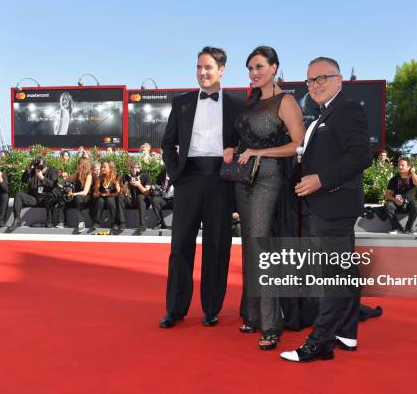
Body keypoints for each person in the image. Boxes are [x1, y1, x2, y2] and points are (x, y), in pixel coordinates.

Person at [280, 57, 372, 363]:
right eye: (310, 80)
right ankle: (346, 332)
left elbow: (361, 157)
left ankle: (320, 342)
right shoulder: (324, 114)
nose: (316, 85)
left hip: (334, 203)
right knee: (343, 271)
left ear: (339, 79)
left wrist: (321, 179)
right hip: (329, 205)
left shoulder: (347, 109)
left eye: (323, 78)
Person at [159, 46, 244, 328]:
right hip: (188, 180)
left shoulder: (236, 106)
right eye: (198, 67)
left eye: (208, 67)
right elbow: (168, 143)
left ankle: (211, 308)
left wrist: (235, 150)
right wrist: (176, 174)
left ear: (222, 70)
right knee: (180, 245)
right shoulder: (181, 102)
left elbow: (245, 144)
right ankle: (175, 309)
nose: (202, 72)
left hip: (221, 181)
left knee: (217, 246)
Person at [234, 46, 305, 350]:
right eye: (250, 68)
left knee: (263, 246)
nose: (254, 73)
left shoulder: (285, 100)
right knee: (250, 245)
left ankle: (271, 324)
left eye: (260, 66)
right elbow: (245, 140)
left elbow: (298, 144)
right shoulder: (251, 103)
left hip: (270, 179)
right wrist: (232, 148)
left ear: (274, 67)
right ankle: (252, 316)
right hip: (243, 180)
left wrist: (260, 152)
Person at [10, 157, 59, 228]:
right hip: (35, 198)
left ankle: (49, 222)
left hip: (47, 199)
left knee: (49, 197)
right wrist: (28, 170)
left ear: (45, 166)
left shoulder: (52, 171)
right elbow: (23, 180)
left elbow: (53, 185)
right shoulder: (34, 171)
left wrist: (42, 178)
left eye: (41, 168)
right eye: (37, 168)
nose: (38, 170)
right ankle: (17, 220)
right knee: (19, 194)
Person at [384, 157, 417, 234]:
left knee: (415, 207)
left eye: (402, 165)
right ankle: (397, 228)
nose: (400, 167)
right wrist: (395, 200)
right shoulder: (394, 179)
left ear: (409, 167)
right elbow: (387, 195)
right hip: (397, 204)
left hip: (409, 204)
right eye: (399, 165)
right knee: (388, 205)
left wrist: (412, 172)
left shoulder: (413, 177)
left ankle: (408, 228)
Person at [56, 157, 93, 233]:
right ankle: (62, 222)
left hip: (85, 198)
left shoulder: (89, 175)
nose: (77, 165)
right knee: (62, 198)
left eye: (79, 164)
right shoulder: (77, 173)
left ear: (83, 165)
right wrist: (62, 178)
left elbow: (85, 192)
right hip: (76, 196)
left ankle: (81, 222)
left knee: (78, 198)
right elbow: (68, 179)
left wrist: (73, 193)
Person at [119, 161, 151, 232]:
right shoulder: (126, 176)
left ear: (140, 168)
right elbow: (124, 192)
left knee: (140, 197)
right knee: (121, 197)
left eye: (136, 168)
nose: (134, 170)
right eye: (132, 168)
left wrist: (139, 185)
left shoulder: (146, 175)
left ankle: (143, 224)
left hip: (143, 202)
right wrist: (125, 187)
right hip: (131, 200)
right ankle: (122, 223)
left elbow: (147, 193)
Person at [92, 161, 119, 229]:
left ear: (110, 168)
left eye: (104, 167)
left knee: (110, 200)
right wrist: (99, 193)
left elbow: (118, 192)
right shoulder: (99, 178)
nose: (102, 169)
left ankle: (115, 223)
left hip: (111, 196)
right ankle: (96, 223)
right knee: (100, 200)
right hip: (101, 197)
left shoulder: (115, 177)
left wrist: (111, 194)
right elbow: (95, 193)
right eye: (102, 167)